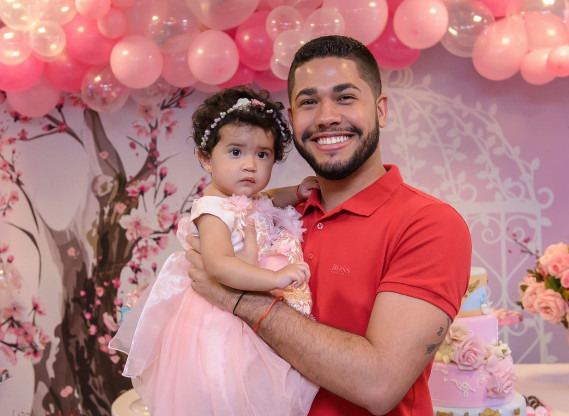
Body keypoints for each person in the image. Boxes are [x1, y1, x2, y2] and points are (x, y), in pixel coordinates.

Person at [185, 35, 472, 416]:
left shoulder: (429, 224)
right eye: (309, 102)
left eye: (345, 97)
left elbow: (379, 384)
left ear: (380, 110)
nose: (326, 117)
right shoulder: (269, 213)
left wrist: (238, 299)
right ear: (292, 119)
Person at [109, 86, 320, 416]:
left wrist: (297, 191)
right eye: (236, 152)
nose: (250, 165)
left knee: (261, 384)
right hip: (221, 320)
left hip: (252, 306)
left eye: (262, 154)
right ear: (206, 158)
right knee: (229, 390)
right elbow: (219, 266)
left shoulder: (246, 197)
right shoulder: (212, 211)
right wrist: (274, 277)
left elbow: (268, 199)